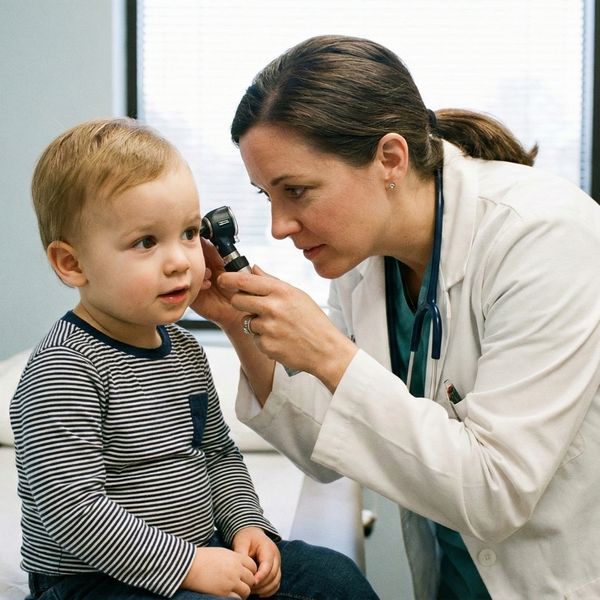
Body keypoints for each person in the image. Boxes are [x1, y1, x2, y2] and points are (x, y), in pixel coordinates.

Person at [191, 35, 600, 599]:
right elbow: (327, 453)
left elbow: (496, 490)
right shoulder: (364, 262)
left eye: (298, 191)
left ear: (389, 159)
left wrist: (331, 355)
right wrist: (239, 324)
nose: (280, 225)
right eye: (267, 196)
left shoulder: (543, 236)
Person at [10, 117, 379, 600]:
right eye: (146, 242)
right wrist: (188, 565)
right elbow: (73, 508)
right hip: (93, 581)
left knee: (335, 579)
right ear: (72, 264)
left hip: (202, 551)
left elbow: (218, 454)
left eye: (187, 232)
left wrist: (247, 528)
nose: (181, 260)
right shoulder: (64, 368)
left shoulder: (183, 350)